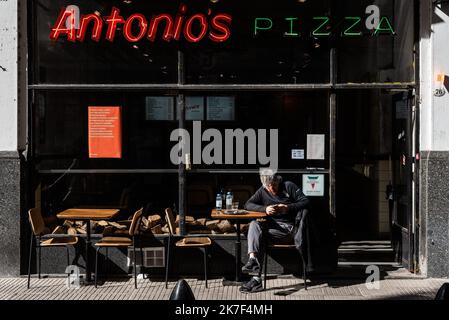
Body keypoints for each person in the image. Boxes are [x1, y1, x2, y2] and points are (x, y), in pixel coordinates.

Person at [239, 169, 310, 293]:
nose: (272, 189)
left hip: (288, 230)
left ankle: (255, 279)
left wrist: (288, 207)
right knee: (254, 225)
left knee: (258, 235)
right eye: (269, 186)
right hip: (271, 229)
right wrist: (265, 209)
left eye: (274, 185)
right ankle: (253, 261)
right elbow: (248, 204)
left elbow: (305, 202)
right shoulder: (262, 190)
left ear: (278, 180)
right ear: (264, 185)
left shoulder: (288, 186)